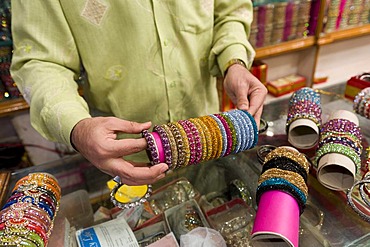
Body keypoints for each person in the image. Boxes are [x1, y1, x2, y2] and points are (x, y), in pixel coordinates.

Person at [10, 0, 267, 186]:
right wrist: (76, 128)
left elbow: (230, 10)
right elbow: (40, 60)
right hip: (122, 158)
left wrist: (233, 61)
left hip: (208, 139)